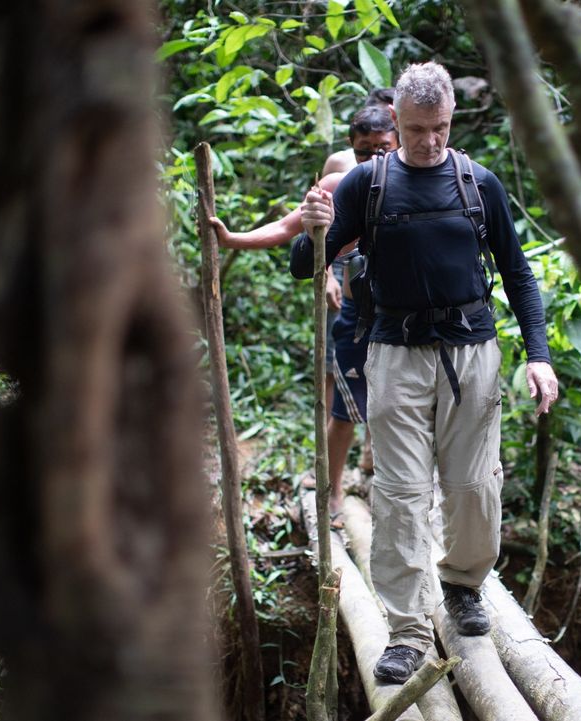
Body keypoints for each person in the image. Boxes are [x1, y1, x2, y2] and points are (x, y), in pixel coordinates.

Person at [291, 62, 559, 684]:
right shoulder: (367, 183)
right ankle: (409, 631)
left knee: (473, 487)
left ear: (451, 121)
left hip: (473, 351)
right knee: (402, 494)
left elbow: (518, 274)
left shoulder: (478, 183)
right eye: (415, 130)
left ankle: (463, 583)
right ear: (397, 121)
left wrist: (539, 355)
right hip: (395, 352)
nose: (428, 142)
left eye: (438, 128)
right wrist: (314, 228)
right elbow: (308, 263)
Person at [209, 104, 397, 518]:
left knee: (397, 411)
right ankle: (330, 494)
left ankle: (391, 491)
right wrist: (231, 238)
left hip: (402, 324)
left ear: (398, 142)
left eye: (384, 148)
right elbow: (286, 229)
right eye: (365, 151)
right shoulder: (338, 183)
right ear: (352, 149)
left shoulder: (418, 179)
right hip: (357, 317)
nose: (375, 158)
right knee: (345, 411)